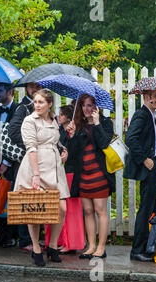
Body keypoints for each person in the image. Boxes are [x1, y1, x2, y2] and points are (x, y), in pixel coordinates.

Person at [14, 89, 69, 267]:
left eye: (41, 102)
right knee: (34, 210)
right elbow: (31, 148)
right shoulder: (29, 121)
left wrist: (63, 149)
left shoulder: (53, 120)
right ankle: (36, 248)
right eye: (35, 102)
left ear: (49, 104)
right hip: (35, 166)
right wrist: (36, 175)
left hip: (54, 166)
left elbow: (54, 140)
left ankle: (52, 246)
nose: (37, 105)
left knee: (62, 208)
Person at [67, 94, 115, 260]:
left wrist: (97, 124)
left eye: (90, 106)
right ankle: (91, 245)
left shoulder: (106, 122)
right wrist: (71, 135)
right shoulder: (78, 125)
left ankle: (101, 247)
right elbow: (71, 155)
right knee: (87, 211)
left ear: (97, 107)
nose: (87, 109)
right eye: (84, 106)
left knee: (100, 210)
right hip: (83, 176)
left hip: (100, 175)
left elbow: (104, 143)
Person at [124, 90, 156, 262]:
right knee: (146, 210)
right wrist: (144, 160)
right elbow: (130, 138)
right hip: (149, 166)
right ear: (147, 97)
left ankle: (148, 246)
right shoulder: (141, 115)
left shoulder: (152, 115)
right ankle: (137, 250)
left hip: (155, 166)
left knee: (152, 209)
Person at [45, 104, 85, 254]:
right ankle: (59, 240)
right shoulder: (60, 130)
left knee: (70, 209)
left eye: (61, 115)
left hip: (70, 172)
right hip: (60, 171)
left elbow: (74, 151)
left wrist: (72, 136)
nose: (58, 117)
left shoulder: (72, 131)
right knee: (59, 209)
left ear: (68, 117)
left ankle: (71, 242)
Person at [7, 82, 42, 251]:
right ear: (27, 88)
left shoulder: (38, 107)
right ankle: (25, 239)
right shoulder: (23, 108)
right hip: (25, 160)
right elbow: (13, 131)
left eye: (38, 86)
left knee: (36, 199)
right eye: (32, 86)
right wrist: (30, 144)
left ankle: (33, 238)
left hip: (38, 159)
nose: (35, 89)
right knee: (25, 199)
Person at [0, 82, 18, 248]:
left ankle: (12, 236)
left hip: (13, 162)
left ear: (10, 92)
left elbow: (17, 138)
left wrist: (6, 162)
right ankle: (2, 235)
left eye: (0, 91)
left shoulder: (18, 110)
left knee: (11, 197)